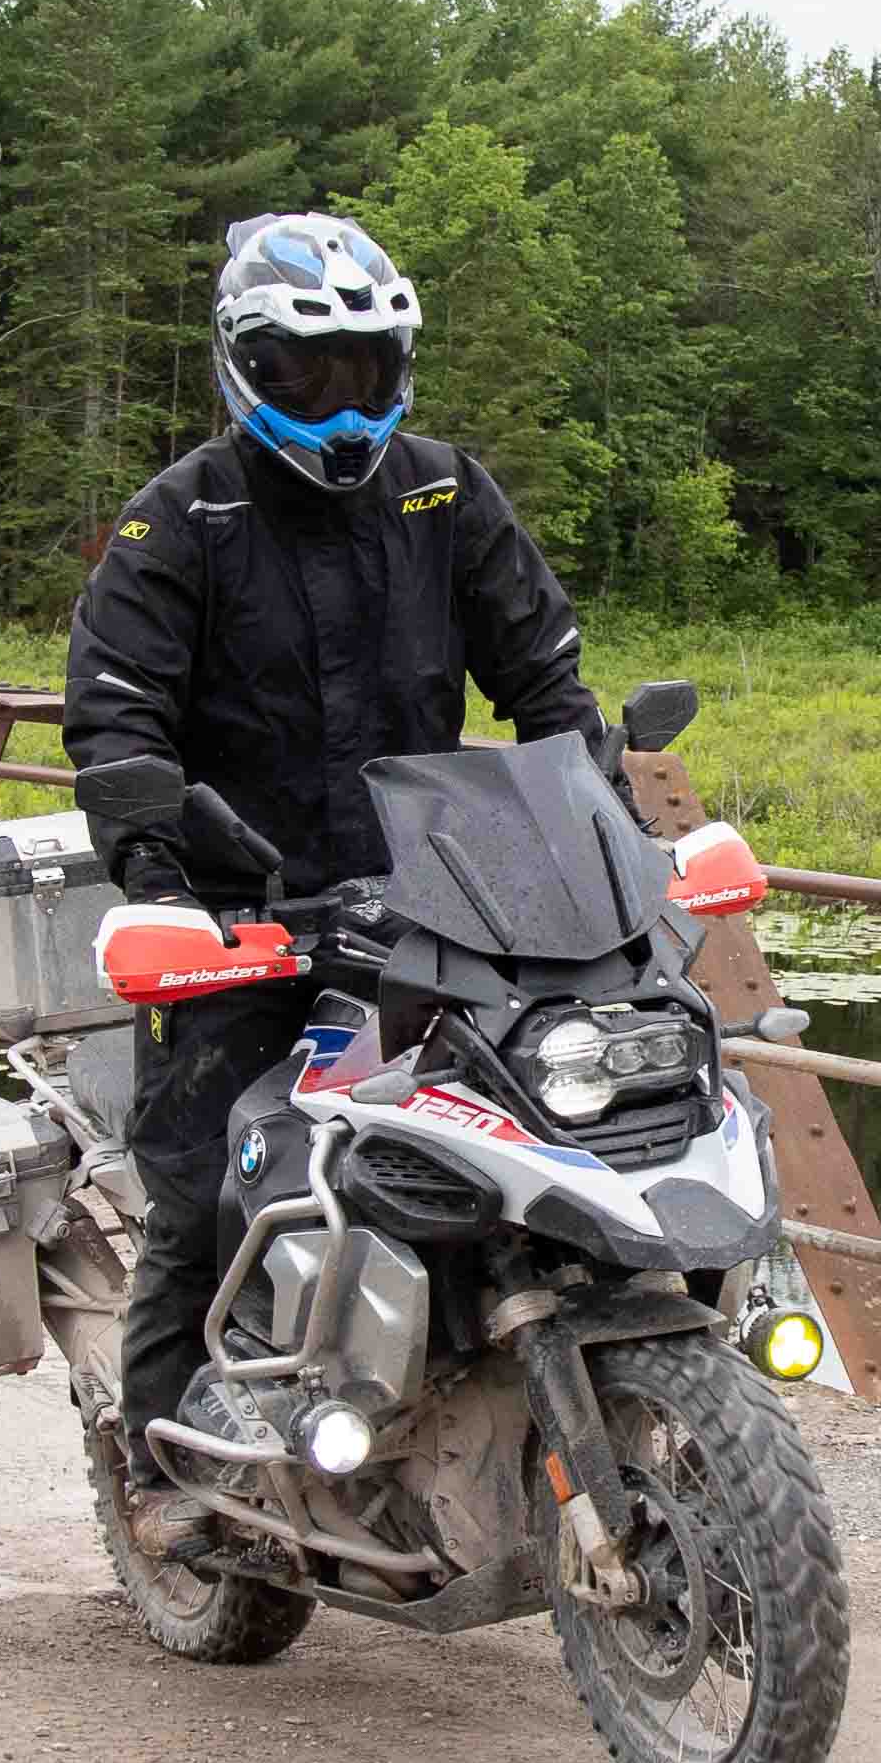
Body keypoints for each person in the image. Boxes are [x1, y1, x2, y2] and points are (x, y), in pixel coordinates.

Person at [63, 212, 600, 1500]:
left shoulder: (441, 489)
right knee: (206, 1180)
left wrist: (600, 821)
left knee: (538, 1138)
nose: (341, 398)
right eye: (310, 371)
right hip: (244, 915)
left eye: (363, 367)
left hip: (434, 901)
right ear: (247, 365)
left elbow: (544, 671)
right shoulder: (182, 518)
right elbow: (117, 709)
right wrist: (157, 878)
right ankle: (158, 1474)